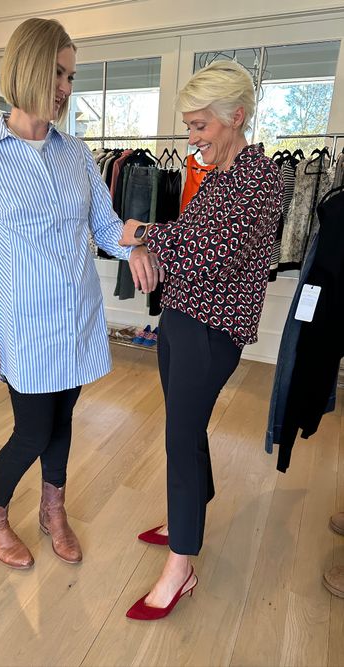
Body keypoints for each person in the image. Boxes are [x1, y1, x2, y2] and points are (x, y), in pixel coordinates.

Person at [0, 17, 158, 570]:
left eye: (71, 76)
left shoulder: (76, 153)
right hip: (25, 324)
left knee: (64, 418)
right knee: (32, 430)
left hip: (77, 315)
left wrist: (140, 245)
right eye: (58, 74)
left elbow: (106, 225)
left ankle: (52, 510)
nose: (66, 87)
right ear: (27, 69)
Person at [119, 60, 284, 620]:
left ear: (235, 117)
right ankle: (187, 511)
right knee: (183, 426)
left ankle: (181, 565)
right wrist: (153, 243)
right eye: (190, 126)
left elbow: (213, 255)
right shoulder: (218, 176)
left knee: (180, 435)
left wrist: (141, 232)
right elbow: (191, 239)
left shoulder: (260, 178)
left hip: (211, 330)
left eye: (200, 125)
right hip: (183, 318)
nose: (192, 138)